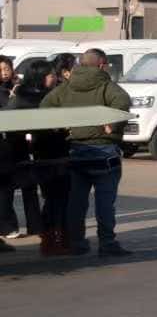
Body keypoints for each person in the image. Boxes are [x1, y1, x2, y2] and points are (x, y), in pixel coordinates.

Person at [40, 49, 131, 257]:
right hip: (104, 150)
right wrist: (112, 125)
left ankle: (77, 243)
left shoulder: (67, 86)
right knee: (105, 202)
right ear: (102, 64)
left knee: (77, 202)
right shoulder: (106, 85)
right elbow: (123, 102)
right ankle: (107, 243)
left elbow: (45, 105)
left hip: (77, 150)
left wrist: (62, 125)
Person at [8, 60, 69, 255]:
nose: (54, 78)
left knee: (58, 197)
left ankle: (55, 238)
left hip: (56, 152)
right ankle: (50, 239)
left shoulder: (53, 95)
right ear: (40, 76)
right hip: (41, 155)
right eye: (51, 75)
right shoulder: (24, 99)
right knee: (54, 197)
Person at [0, 55, 19, 239]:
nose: (4, 73)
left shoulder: (16, 87)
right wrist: (12, 99)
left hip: (11, 145)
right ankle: (7, 226)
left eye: (6, 68)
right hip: (3, 145)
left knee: (7, 188)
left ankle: (8, 225)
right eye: (0, 70)